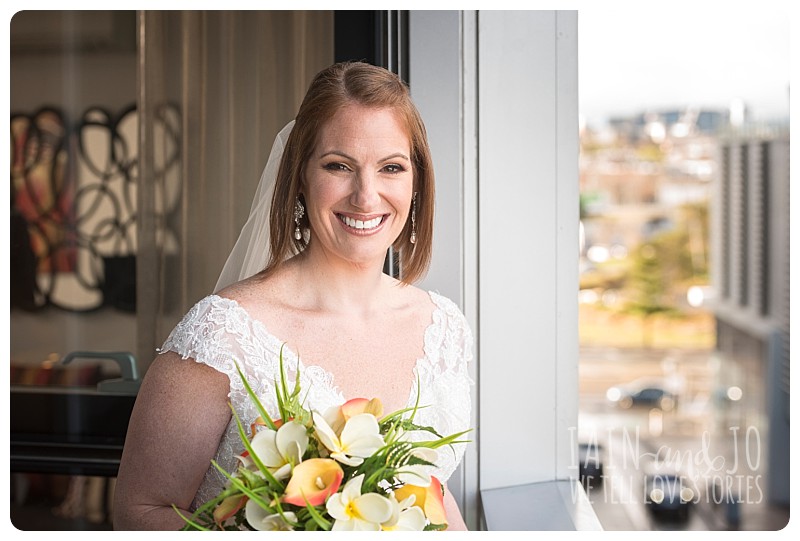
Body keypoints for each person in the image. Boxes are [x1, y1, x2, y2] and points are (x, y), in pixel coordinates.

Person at [113, 61, 473, 531]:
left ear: (416, 182)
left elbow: (434, 501)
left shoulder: (444, 327)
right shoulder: (223, 337)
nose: (366, 196)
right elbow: (137, 515)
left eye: (391, 167)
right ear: (299, 178)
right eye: (338, 166)